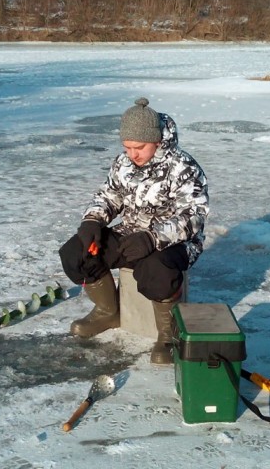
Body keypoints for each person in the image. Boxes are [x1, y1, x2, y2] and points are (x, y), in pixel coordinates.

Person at [59, 97, 209, 364]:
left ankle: (168, 334)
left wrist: (153, 238)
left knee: (156, 270)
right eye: (127, 147)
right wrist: (92, 220)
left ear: (157, 140)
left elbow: (193, 216)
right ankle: (108, 311)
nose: (133, 154)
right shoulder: (123, 163)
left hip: (176, 242)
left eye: (139, 147)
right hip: (131, 232)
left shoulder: (184, 167)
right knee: (76, 253)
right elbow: (109, 196)